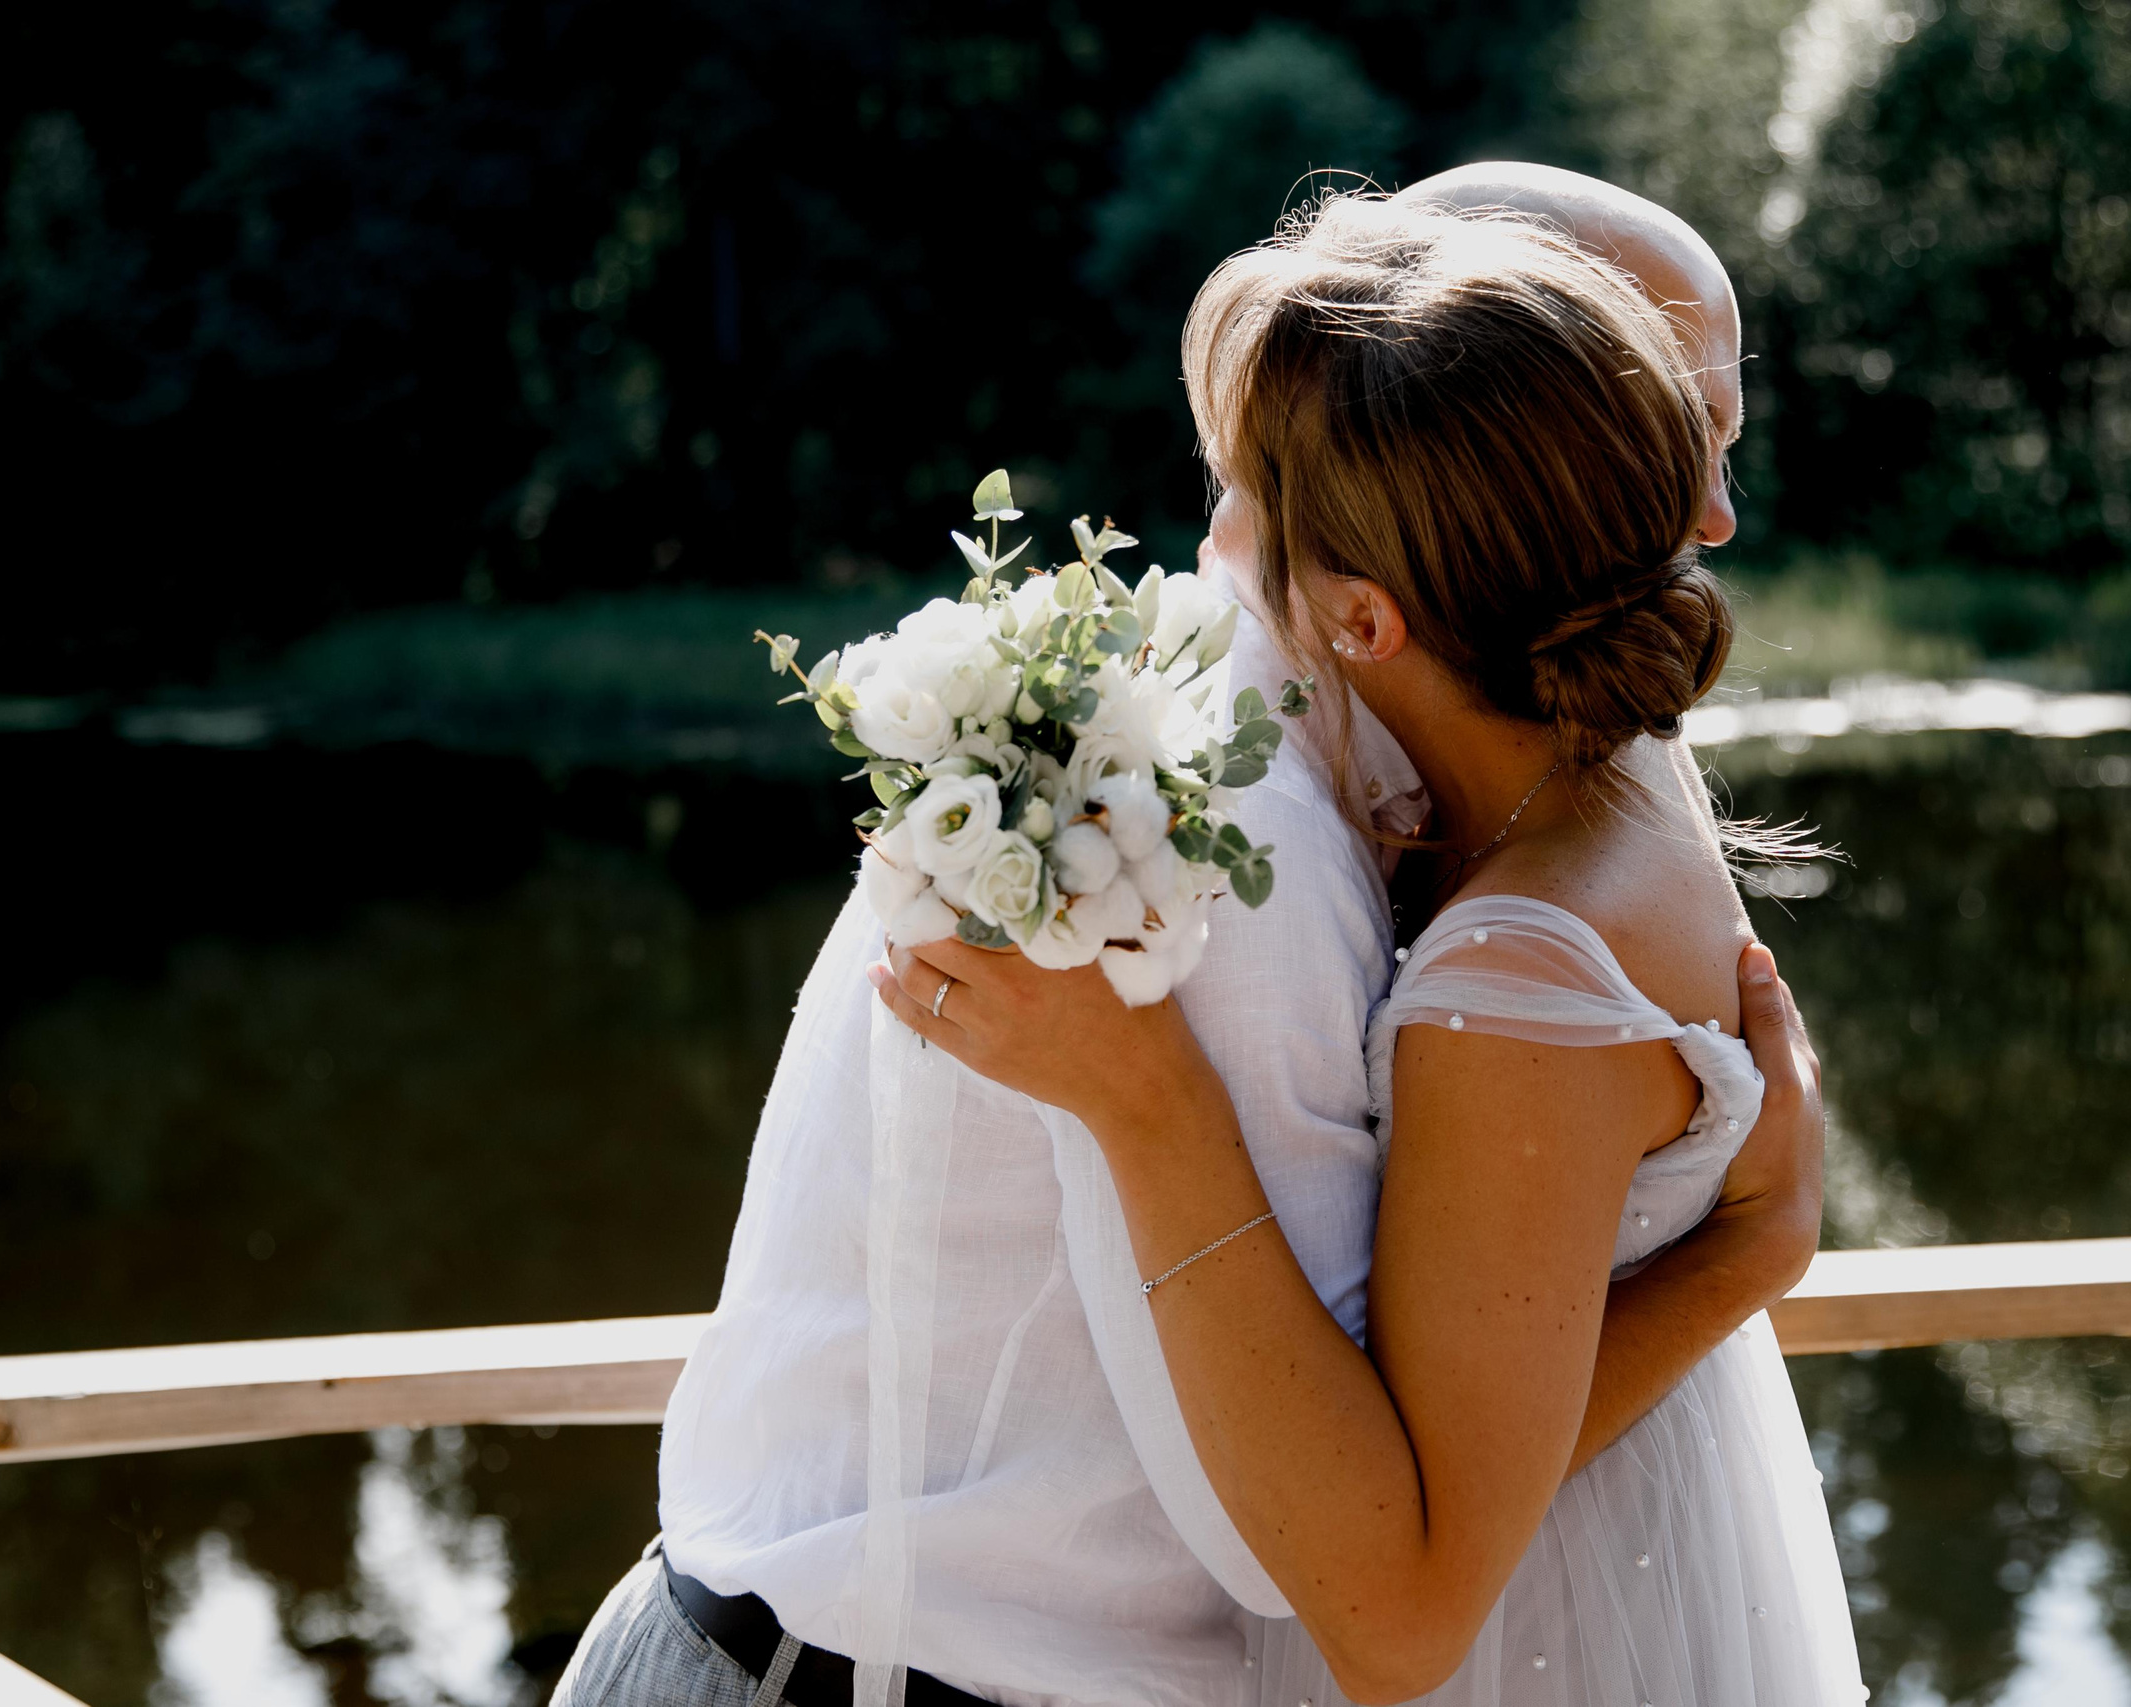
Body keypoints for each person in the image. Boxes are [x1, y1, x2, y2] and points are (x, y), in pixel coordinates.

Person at [552, 168, 1835, 1707]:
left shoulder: (1507, 780)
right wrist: (1748, 1253)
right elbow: (1318, 1566)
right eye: (1677, 432)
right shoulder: (1229, 843)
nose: (1704, 516)